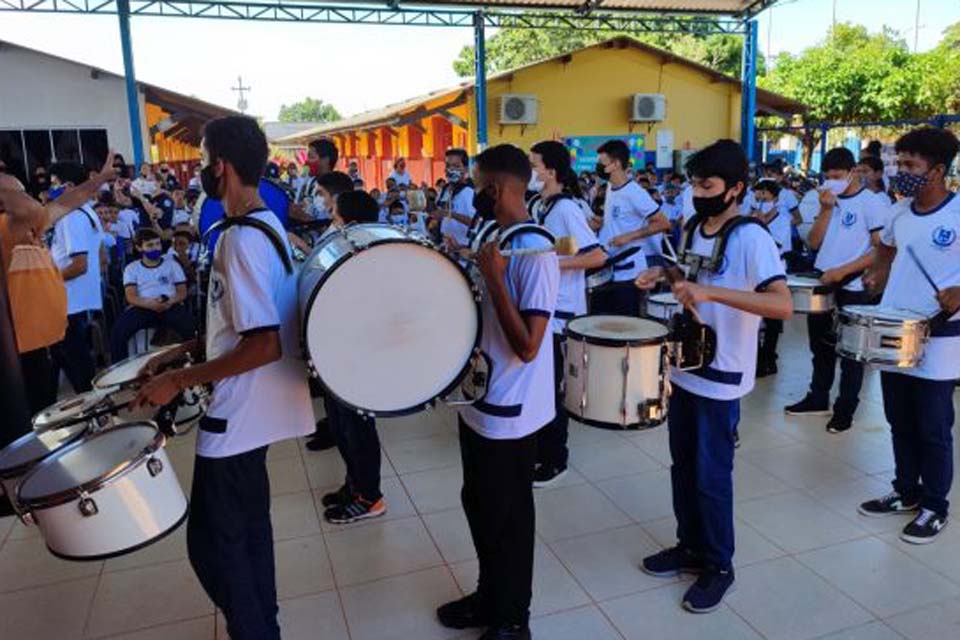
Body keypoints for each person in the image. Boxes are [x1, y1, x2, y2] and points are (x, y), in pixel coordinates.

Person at [134, 115, 313, 640]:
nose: (196, 169)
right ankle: (264, 625)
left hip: (238, 415)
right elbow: (240, 323)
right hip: (250, 412)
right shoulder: (263, 226)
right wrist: (187, 350)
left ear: (223, 167)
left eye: (202, 157)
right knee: (248, 532)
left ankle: (255, 630)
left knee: (214, 545)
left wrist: (181, 379)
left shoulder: (242, 240)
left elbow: (264, 342)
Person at [635, 139, 792, 613]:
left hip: (723, 374)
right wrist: (664, 277)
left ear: (735, 188)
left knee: (711, 475)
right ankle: (689, 546)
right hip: (686, 368)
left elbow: (781, 304)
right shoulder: (691, 228)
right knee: (682, 467)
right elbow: (690, 278)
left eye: (707, 185)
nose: (697, 192)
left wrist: (714, 295)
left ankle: (719, 565)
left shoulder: (751, 238)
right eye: (693, 184)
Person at [436, 144, 559, 640]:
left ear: (501, 188)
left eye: (481, 185)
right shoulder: (495, 234)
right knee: (478, 501)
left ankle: (513, 619)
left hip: (513, 410)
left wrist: (494, 279)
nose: (476, 194)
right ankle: (490, 595)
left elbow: (529, 346)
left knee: (508, 516)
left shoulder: (537, 250)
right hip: (479, 400)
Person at [859, 127, 960, 543]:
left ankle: (936, 505)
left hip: (942, 336)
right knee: (898, 418)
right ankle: (907, 491)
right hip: (893, 328)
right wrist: (875, 274)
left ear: (937, 170)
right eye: (898, 164)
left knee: (933, 425)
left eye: (911, 165)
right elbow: (884, 249)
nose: (901, 172)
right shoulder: (898, 212)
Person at [785, 148, 889, 434]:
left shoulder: (872, 203)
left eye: (838, 176)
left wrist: (845, 270)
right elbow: (815, 243)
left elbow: (881, 248)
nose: (832, 182)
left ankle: (845, 409)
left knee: (852, 352)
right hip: (823, 280)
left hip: (852, 285)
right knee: (820, 346)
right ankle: (818, 397)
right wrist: (826, 209)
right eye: (827, 177)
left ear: (853, 171)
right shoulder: (827, 202)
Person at [527, 140, 606, 487]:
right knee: (538, 385)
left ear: (551, 172)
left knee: (553, 386)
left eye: (534, 165)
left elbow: (596, 256)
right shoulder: (539, 206)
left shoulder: (566, 210)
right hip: (542, 308)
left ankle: (555, 457)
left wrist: (553, 265)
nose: (531, 172)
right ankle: (539, 448)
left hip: (562, 312)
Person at [316, 188, 389, 524]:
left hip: (358, 359)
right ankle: (354, 484)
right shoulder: (349, 248)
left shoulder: (371, 253)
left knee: (357, 429)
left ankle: (370, 497)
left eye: (336, 216)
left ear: (352, 222)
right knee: (342, 426)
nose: (332, 222)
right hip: (339, 353)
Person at [47, 162, 105, 392]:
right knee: (63, 357)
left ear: (69, 186)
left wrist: (47, 283)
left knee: (77, 364)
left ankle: (94, 411)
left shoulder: (71, 217)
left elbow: (79, 265)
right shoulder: (86, 211)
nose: (51, 190)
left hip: (67, 301)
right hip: (75, 300)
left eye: (54, 184)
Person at [594, 139, 669, 316]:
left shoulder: (634, 192)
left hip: (629, 272)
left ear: (616, 164)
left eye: (602, 162)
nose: (598, 166)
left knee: (625, 326)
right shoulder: (611, 188)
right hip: (609, 266)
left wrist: (629, 237)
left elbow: (663, 222)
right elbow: (617, 221)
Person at [110, 228, 194, 361]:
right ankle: (120, 373)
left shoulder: (172, 265)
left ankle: (193, 364)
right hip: (143, 307)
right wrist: (150, 304)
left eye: (157, 244)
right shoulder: (132, 268)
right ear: (139, 247)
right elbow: (131, 296)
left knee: (190, 328)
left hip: (171, 305)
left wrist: (169, 301)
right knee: (118, 332)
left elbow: (182, 292)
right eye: (149, 245)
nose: (155, 248)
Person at [750, 179, 795, 376]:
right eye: (758, 195)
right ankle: (757, 355)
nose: (760, 199)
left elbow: (774, 244)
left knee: (772, 317)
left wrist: (762, 223)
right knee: (755, 315)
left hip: (776, 269)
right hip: (755, 270)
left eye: (764, 195)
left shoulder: (782, 219)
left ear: (774, 198)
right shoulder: (752, 218)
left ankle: (769, 356)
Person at [434, 148, 476, 249]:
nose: (451, 169)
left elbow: (475, 223)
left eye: (456, 166)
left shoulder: (468, 192)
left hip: (462, 249)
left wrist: (451, 214)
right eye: (448, 166)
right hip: (445, 246)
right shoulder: (445, 189)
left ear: (465, 169)